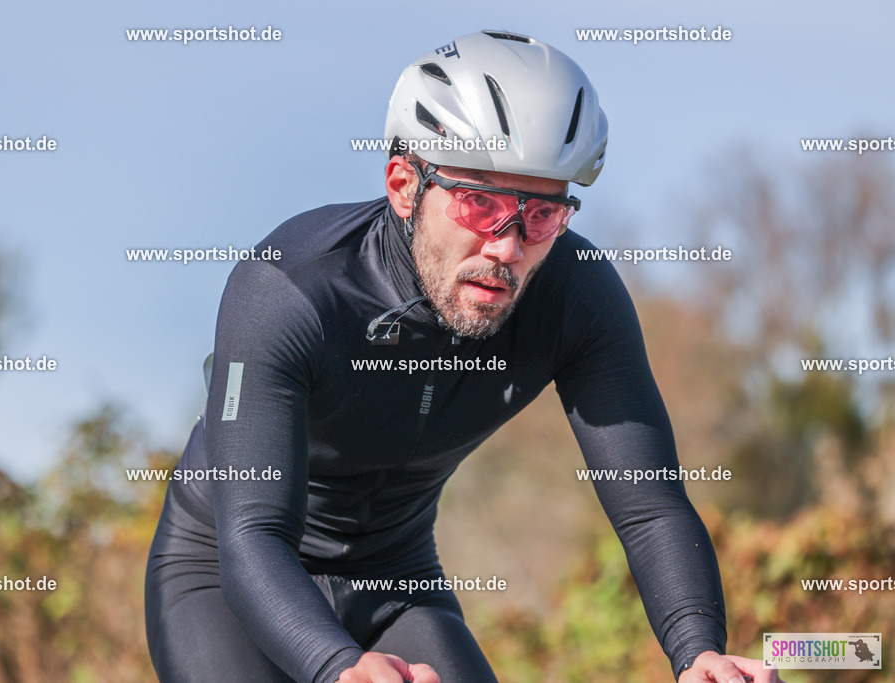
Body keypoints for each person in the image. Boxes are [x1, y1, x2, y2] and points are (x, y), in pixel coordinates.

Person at [145, 30, 781, 683]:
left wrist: (697, 649)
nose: (508, 246)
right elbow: (253, 535)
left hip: (397, 583)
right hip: (228, 578)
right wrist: (336, 665)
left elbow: (649, 504)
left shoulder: (577, 295)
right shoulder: (288, 289)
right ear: (403, 183)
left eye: (542, 215)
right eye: (481, 202)